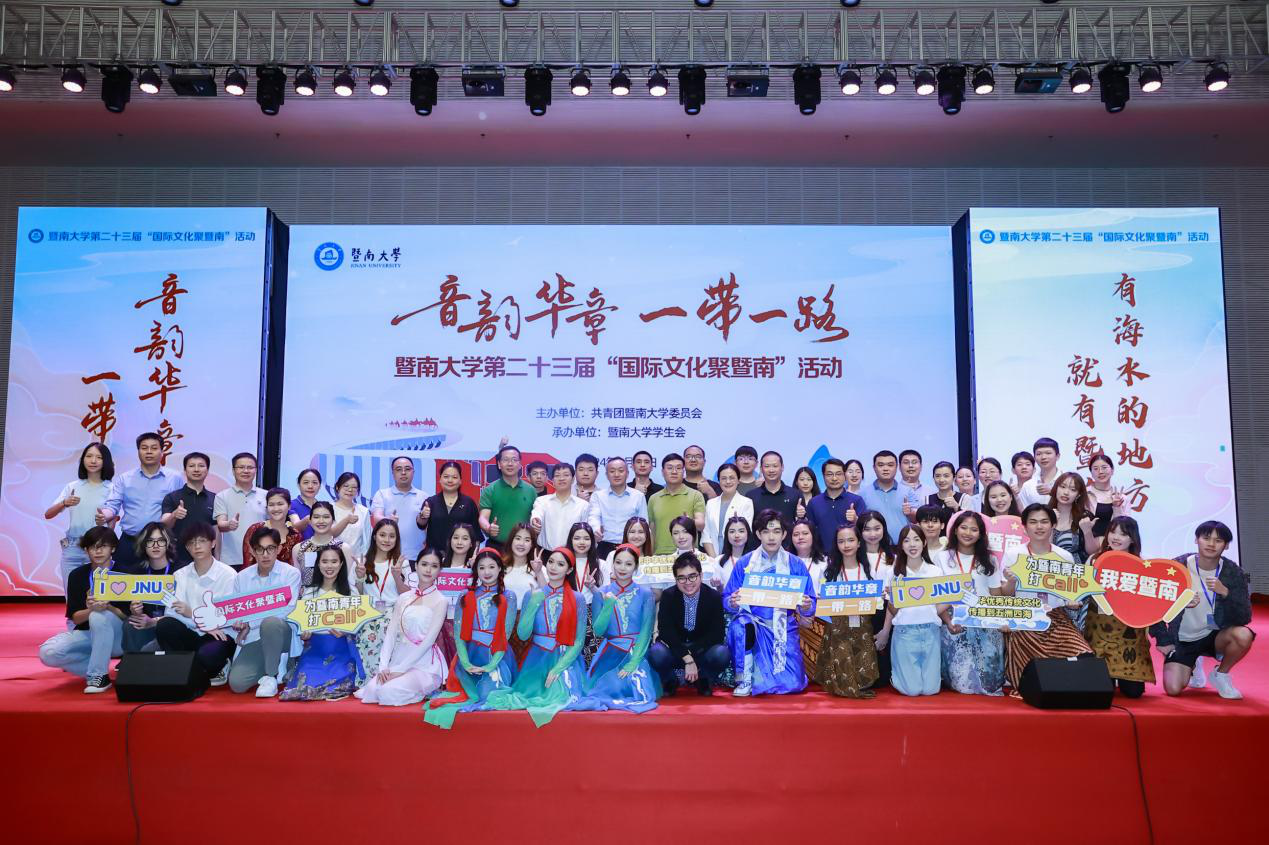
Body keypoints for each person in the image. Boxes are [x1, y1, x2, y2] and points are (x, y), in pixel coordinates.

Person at [483, 547, 591, 727]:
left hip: (564, 658)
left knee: (560, 697)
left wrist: (557, 669)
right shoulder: (532, 594)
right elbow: (523, 634)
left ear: (569, 570)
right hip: (536, 659)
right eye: (551, 562)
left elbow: (579, 640)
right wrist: (534, 603)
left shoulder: (577, 598)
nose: (554, 567)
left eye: (560, 564)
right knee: (527, 699)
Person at [1152, 521, 1253, 699]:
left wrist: (1226, 593)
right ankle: (1193, 663)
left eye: (1218, 540)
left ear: (1226, 545)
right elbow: (1153, 605)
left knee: (1243, 635)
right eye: (1206, 538)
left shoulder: (1233, 573)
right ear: (1196, 540)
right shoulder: (1176, 567)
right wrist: (1163, 638)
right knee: (1173, 689)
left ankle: (1221, 674)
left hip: (1214, 634)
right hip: (1182, 639)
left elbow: (1244, 616)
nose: (1211, 544)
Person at [723, 509, 817, 697]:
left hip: (784, 627)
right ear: (758, 534)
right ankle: (744, 678)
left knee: (793, 684)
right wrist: (732, 602)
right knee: (740, 626)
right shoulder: (745, 563)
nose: (771, 537)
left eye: (776, 531)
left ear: (784, 534)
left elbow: (810, 602)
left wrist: (807, 606)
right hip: (754, 627)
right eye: (766, 531)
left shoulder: (795, 564)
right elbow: (726, 599)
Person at [1001, 504, 1094, 691]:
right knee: (1029, 677)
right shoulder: (1014, 554)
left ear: (1053, 525)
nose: (1039, 526)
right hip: (1024, 619)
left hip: (1056, 619)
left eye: (1044, 522)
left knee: (1083, 653)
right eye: (1033, 522)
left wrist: (1073, 602)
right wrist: (1011, 582)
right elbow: (1005, 594)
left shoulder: (1064, 556)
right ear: (1025, 527)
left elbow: (1071, 595)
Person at [424, 549, 517, 726]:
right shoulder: (465, 596)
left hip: (497, 657)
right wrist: (466, 664)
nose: (487, 572)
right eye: (481, 567)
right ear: (476, 571)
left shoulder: (508, 596)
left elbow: (505, 635)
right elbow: (458, 634)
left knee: (488, 697)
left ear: (500, 569)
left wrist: (491, 665)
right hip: (469, 656)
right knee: (467, 696)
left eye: (491, 567)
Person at [38, 527, 130, 693]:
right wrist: (90, 609)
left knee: (99, 616)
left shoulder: (126, 573)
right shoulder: (77, 575)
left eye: (103, 546)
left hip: (119, 637)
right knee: (48, 653)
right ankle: (98, 669)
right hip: (89, 635)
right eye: (93, 547)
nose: (98, 551)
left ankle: (98, 676)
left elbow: (128, 617)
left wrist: (107, 607)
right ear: (86, 550)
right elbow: (75, 618)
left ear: (113, 548)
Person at [356, 548, 450, 709]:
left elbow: (428, 642)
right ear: (416, 566)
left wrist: (401, 670)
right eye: (424, 564)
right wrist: (383, 667)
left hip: (424, 665)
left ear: (440, 570)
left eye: (434, 566)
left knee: (387, 692)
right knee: (372, 691)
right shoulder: (404, 598)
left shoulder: (441, 600)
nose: (428, 570)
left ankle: (423, 691)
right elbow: (391, 634)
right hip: (399, 659)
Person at [156, 523, 239, 684]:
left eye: (202, 541)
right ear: (187, 548)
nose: (197, 546)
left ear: (213, 543)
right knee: (165, 625)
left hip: (219, 634)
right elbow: (171, 613)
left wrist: (191, 613)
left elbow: (228, 615)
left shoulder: (229, 575)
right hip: (191, 631)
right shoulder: (180, 575)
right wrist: (200, 621)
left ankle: (220, 664)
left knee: (208, 656)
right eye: (191, 543)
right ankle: (187, 667)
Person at [280, 545, 364, 701]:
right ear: (318, 564)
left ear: (341, 564)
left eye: (334, 561)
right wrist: (304, 633)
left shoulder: (350, 592)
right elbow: (303, 623)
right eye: (325, 561)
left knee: (339, 684)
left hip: (340, 648)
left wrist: (346, 631)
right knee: (302, 687)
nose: (329, 566)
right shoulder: (309, 592)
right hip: (315, 649)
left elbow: (358, 623)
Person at [584, 544, 661, 712]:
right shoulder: (601, 592)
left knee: (638, 691)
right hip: (609, 651)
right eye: (618, 562)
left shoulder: (645, 593)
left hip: (636, 650)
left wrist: (633, 663)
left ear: (636, 567)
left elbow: (646, 631)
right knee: (600, 691)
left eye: (628, 564)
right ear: (612, 564)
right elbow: (598, 631)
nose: (622, 568)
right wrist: (608, 604)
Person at [1083, 516, 1154, 698]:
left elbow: (1148, 604)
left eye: (1123, 534)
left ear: (1133, 539)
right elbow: (1083, 592)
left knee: (1133, 693)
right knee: (1101, 689)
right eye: (1113, 532)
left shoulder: (1143, 565)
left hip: (1128, 634)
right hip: (1099, 631)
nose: (1116, 537)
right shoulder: (1094, 560)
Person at [226, 527, 301, 697]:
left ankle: (271, 676)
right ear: (252, 551)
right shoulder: (241, 577)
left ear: (279, 549)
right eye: (260, 549)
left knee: (271, 622)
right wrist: (240, 623)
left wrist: (250, 622)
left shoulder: (291, 573)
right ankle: (278, 663)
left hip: (282, 633)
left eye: (270, 548)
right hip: (254, 637)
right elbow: (237, 611)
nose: (265, 554)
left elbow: (288, 610)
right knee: (237, 683)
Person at [938, 511, 1006, 696]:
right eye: (964, 527)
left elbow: (996, 595)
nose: (968, 533)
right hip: (955, 621)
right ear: (955, 530)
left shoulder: (990, 560)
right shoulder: (942, 557)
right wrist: (948, 621)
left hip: (985, 620)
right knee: (962, 684)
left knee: (990, 683)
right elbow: (937, 596)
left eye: (974, 529)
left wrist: (1001, 620)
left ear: (981, 534)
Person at [97, 432, 183, 569]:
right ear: (138, 451)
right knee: (123, 579)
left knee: (159, 581)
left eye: (154, 448)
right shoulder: (125, 478)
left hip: (160, 544)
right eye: (144, 448)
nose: (149, 452)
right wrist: (104, 515)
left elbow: (178, 509)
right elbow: (112, 506)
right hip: (130, 541)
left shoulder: (174, 478)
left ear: (162, 452)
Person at [814, 523, 881, 698]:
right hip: (838, 626)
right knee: (841, 655)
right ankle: (844, 686)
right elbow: (821, 600)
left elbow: (878, 601)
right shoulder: (828, 571)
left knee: (863, 658)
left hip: (862, 623)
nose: (846, 545)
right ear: (836, 544)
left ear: (859, 543)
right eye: (841, 541)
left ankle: (860, 685)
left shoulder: (869, 569)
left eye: (851, 540)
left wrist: (879, 595)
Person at [648, 553, 730, 696]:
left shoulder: (713, 597)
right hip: (675, 649)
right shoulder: (668, 595)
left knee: (721, 653)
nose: (688, 582)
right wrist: (687, 657)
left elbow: (717, 634)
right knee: (656, 652)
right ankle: (670, 680)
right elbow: (666, 631)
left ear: (701, 575)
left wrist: (691, 655)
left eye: (692, 576)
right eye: (682, 578)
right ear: (676, 579)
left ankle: (704, 678)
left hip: (702, 650)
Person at [883, 525, 945, 696]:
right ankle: (896, 677)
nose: (912, 544)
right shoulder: (894, 572)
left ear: (924, 542)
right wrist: (893, 597)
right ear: (901, 545)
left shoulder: (935, 571)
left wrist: (958, 596)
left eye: (916, 539)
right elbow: (893, 610)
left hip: (931, 631)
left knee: (931, 690)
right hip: (905, 632)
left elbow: (940, 605)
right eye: (907, 540)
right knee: (912, 690)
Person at [45, 442, 114, 595]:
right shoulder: (72, 487)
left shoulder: (111, 488)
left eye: (99, 457)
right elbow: (48, 514)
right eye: (89, 456)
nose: (93, 461)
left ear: (106, 461)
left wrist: (105, 521)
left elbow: (113, 522)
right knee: (72, 595)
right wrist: (64, 503)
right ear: (83, 460)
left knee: (97, 594)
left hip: (98, 547)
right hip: (73, 548)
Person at [353, 518, 413, 678]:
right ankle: (369, 681)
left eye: (392, 536)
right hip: (369, 614)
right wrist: (359, 577)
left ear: (397, 539)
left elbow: (408, 595)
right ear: (374, 536)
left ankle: (391, 681)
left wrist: (397, 576)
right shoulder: (362, 561)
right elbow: (359, 596)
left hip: (395, 613)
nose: (387, 540)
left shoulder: (401, 563)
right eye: (382, 535)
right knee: (367, 639)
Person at [122, 523, 178, 656]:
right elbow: (128, 610)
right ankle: (133, 663)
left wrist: (155, 621)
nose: (155, 545)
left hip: (171, 625)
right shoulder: (135, 573)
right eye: (150, 541)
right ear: (143, 545)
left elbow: (184, 612)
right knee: (131, 622)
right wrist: (136, 611)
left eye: (160, 541)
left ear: (168, 544)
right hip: (146, 625)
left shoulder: (180, 571)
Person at [858, 510, 896, 686]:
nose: (872, 534)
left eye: (877, 528)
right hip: (859, 615)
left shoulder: (894, 558)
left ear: (884, 529)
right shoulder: (853, 557)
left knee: (883, 677)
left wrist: (886, 631)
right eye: (867, 529)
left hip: (886, 615)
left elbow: (895, 598)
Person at [213, 452, 267, 569]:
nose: (246, 471)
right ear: (233, 471)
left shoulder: (266, 495)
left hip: (261, 557)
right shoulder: (222, 496)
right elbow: (220, 525)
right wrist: (229, 524)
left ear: (256, 470)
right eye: (241, 467)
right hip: (232, 559)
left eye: (250, 467)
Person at [159, 452, 214, 567]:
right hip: (177, 558)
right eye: (191, 466)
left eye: (201, 466)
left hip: (206, 559)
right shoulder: (172, 497)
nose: (196, 469)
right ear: (185, 470)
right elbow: (163, 525)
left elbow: (216, 531)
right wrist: (174, 515)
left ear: (207, 471)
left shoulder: (214, 498)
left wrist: (217, 557)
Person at [586, 456, 648, 558]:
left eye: (621, 471)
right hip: (604, 547)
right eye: (612, 471)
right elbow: (594, 516)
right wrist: (596, 529)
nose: (616, 474)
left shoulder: (638, 496)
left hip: (631, 546)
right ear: (606, 475)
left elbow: (644, 524)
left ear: (627, 474)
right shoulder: (598, 496)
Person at [370, 456, 428, 561]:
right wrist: (389, 520)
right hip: (388, 557)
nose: (403, 472)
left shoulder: (424, 497)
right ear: (393, 473)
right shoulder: (382, 494)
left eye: (407, 469)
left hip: (416, 556)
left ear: (413, 472)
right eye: (399, 469)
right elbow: (376, 517)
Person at [478, 445, 538, 547]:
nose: (510, 463)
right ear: (499, 464)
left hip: (523, 547)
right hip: (497, 546)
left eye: (514, 460)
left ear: (520, 464)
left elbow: (535, 517)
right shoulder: (490, 490)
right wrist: (488, 528)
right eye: (505, 460)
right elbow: (483, 517)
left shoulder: (531, 490)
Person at [647, 453, 706, 554]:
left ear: (683, 472)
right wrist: (651, 555)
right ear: (662, 472)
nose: (674, 472)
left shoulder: (695, 495)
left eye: (678, 468)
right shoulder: (654, 498)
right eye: (670, 468)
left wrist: (689, 521)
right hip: (660, 556)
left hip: (687, 553)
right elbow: (652, 532)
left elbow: (701, 525)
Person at [419, 460, 481, 555]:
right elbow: (421, 524)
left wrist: (474, 557)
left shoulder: (469, 503)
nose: (450, 480)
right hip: (435, 557)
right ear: (440, 479)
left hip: (461, 557)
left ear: (460, 481)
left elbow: (476, 535)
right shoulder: (430, 502)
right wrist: (423, 516)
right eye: (446, 477)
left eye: (454, 477)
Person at [791, 517, 829, 670]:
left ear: (813, 535)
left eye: (805, 533)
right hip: (791, 618)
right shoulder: (785, 562)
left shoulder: (826, 562)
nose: (800, 537)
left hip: (819, 618)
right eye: (796, 534)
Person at [805, 458, 865, 555]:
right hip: (821, 557)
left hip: (850, 556)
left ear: (845, 476)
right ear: (823, 476)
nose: (834, 478)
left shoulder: (856, 501)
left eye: (838, 474)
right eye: (829, 474)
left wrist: (856, 520)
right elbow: (809, 532)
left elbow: (865, 531)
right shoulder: (814, 502)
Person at [530, 462, 591, 550]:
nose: (561, 478)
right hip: (545, 553)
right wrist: (535, 520)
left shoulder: (583, 505)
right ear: (553, 481)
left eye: (566, 475)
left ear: (573, 479)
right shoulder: (542, 501)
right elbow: (537, 514)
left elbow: (586, 532)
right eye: (557, 475)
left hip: (571, 553)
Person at [702, 462, 754, 557]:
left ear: (738, 480)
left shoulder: (746, 503)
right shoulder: (711, 503)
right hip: (712, 556)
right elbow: (706, 534)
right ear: (719, 481)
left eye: (732, 478)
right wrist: (715, 559)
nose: (728, 481)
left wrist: (729, 560)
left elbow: (745, 534)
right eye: (724, 478)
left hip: (736, 556)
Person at [240, 488, 302, 566]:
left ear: (289, 506)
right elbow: (247, 565)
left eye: (280, 504)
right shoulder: (255, 529)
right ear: (267, 507)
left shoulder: (295, 535)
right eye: (271, 505)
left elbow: (295, 566)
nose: (276, 509)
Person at [860, 451, 908, 542]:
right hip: (874, 545)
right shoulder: (863, 493)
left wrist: (910, 512)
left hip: (903, 544)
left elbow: (917, 520)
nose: (885, 469)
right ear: (874, 468)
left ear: (897, 467)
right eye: (881, 465)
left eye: (890, 465)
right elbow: (860, 523)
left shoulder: (908, 491)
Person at [745, 451, 799, 525]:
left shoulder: (795, 495)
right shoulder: (751, 496)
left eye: (775, 466)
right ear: (761, 469)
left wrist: (801, 516)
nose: (771, 470)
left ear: (782, 467)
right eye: (767, 466)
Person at [293, 501, 340, 585]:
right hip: (307, 593)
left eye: (326, 517)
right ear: (310, 521)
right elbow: (297, 583)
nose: (321, 521)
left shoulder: (342, 548)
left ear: (333, 521)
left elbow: (347, 582)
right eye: (316, 517)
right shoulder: (298, 549)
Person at [330, 471, 371, 561]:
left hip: (356, 560)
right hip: (332, 560)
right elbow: (328, 535)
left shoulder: (363, 511)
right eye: (346, 486)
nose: (350, 490)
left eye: (354, 487)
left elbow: (367, 542)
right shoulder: (329, 508)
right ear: (337, 487)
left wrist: (362, 560)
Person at [501, 523, 542, 610]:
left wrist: (539, 572)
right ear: (511, 541)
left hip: (530, 617)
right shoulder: (499, 566)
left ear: (532, 544)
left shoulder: (538, 568)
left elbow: (547, 596)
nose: (521, 543)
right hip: (502, 616)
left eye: (527, 540)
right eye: (518, 538)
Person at [602, 516, 654, 582]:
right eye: (632, 532)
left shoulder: (652, 560)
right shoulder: (613, 555)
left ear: (647, 535)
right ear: (626, 534)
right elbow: (606, 583)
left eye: (641, 532)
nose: (636, 536)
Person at [1086, 453, 1124, 538]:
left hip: (1112, 543)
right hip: (1087, 542)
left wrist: (1117, 507)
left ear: (1112, 470)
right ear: (1091, 473)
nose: (1100, 472)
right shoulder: (1084, 494)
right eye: (1095, 469)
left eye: (1104, 467)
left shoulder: (1122, 498)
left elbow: (1125, 528)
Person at [1018, 438, 1062, 507]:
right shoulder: (1028, 485)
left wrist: (1053, 492)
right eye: (1038, 454)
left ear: (1058, 456)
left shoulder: (1067, 481)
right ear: (1034, 458)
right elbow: (1024, 512)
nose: (1043, 457)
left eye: (1048, 453)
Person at [287, 468, 322, 540]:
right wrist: (309, 518)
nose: (310, 486)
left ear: (319, 486)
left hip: (321, 546)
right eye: (306, 482)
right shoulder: (291, 504)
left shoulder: (323, 507)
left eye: (314, 483)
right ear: (298, 485)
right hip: (299, 546)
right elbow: (296, 528)